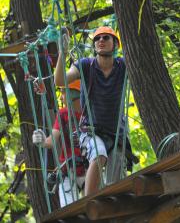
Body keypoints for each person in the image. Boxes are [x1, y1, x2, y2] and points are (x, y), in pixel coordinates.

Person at [54, 26, 132, 196]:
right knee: (98, 155)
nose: (101, 41)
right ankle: (89, 203)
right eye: (97, 39)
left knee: (115, 182)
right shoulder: (86, 66)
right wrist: (63, 52)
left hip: (116, 133)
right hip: (90, 131)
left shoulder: (124, 66)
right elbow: (60, 80)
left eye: (106, 37)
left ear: (116, 44)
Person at [32, 80, 84, 207]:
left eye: (63, 93)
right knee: (69, 210)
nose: (61, 97)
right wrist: (43, 141)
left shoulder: (89, 112)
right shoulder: (63, 114)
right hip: (68, 170)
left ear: (74, 93)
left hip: (89, 168)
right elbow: (52, 140)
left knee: (94, 204)